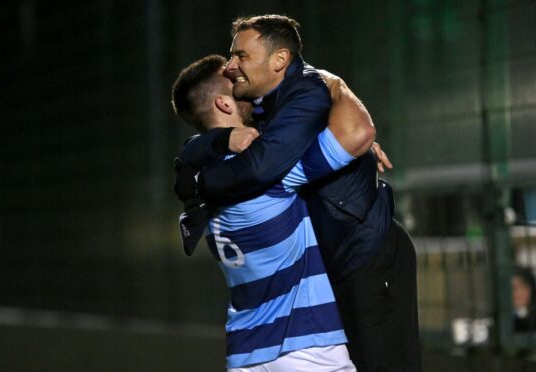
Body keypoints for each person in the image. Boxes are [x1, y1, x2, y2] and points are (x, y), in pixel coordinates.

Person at [173, 15, 421, 371]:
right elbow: (355, 133)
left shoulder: (198, 172)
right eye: (231, 73)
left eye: (239, 59)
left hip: (246, 351)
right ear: (225, 105)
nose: (234, 69)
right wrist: (333, 86)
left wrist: (218, 142)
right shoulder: (273, 174)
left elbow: (191, 157)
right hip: (305, 344)